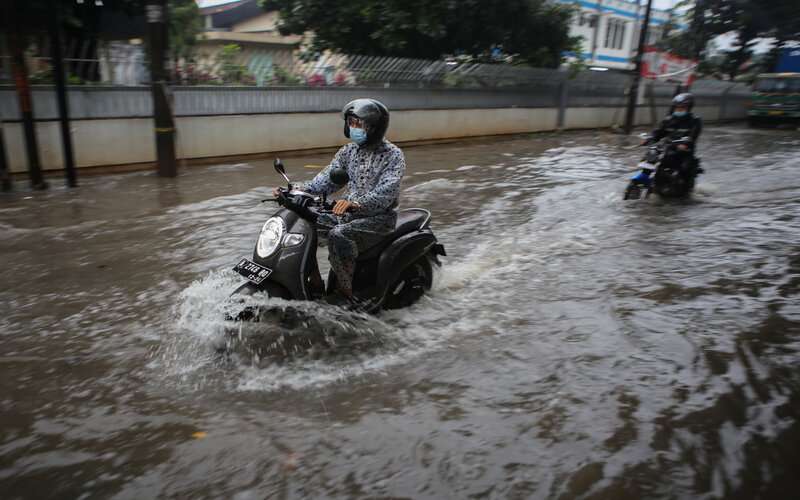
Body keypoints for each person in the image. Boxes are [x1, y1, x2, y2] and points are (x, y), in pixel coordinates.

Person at [273, 98, 405, 304]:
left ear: (375, 128)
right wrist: (293, 190)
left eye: (360, 125)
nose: (354, 129)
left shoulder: (393, 155)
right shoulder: (348, 152)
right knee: (305, 226)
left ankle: (345, 294)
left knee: (338, 235)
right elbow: (324, 182)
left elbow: (386, 193)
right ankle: (315, 281)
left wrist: (357, 204)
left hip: (378, 219)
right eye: (351, 123)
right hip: (343, 214)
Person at [639, 92, 703, 174]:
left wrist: (685, 144)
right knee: (651, 155)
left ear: (689, 108)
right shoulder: (668, 120)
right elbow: (658, 131)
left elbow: (693, 134)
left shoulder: (694, 120)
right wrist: (648, 139)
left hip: (684, 150)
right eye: (677, 107)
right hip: (667, 147)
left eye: (683, 108)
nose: (679, 109)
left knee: (685, 168)